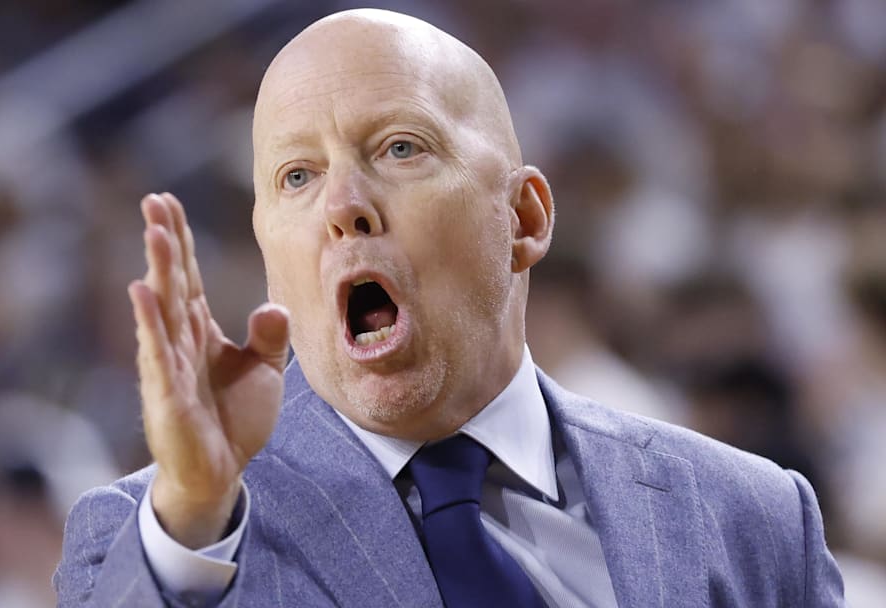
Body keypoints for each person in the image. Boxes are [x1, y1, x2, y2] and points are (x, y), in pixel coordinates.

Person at [53, 9, 846, 607]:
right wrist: (192, 518)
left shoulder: (754, 517)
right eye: (296, 176)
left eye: (400, 147)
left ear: (525, 219)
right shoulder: (165, 535)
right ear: (270, 259)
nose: (343, 206)